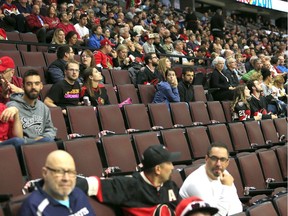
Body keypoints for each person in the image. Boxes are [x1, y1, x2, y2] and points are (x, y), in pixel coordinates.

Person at [19, 150, 96, 215]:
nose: (66, 178)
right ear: (45, 173)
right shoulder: (33, 206)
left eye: (71, 172)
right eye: (59, 171)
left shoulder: (79, 194)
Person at [179, 142, 243, 216]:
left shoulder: (224, 173)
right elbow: (215, 215)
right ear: (206, 159)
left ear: (227, 162)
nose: (218, 164)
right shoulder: (195, 182)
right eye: (214, 158)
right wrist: (227, 187)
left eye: (222, 159)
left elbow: (235, 204)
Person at [6, 69, 56, 144]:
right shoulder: (12, 106)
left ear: (41, 86)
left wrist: (44, 137)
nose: (33, 87)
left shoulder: (43, 107)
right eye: (29, 84)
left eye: (37, 83)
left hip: (42, 144)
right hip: (23, 147)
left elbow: (50, 129)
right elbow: (14, 138)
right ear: (23, 86)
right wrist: (35, 141)